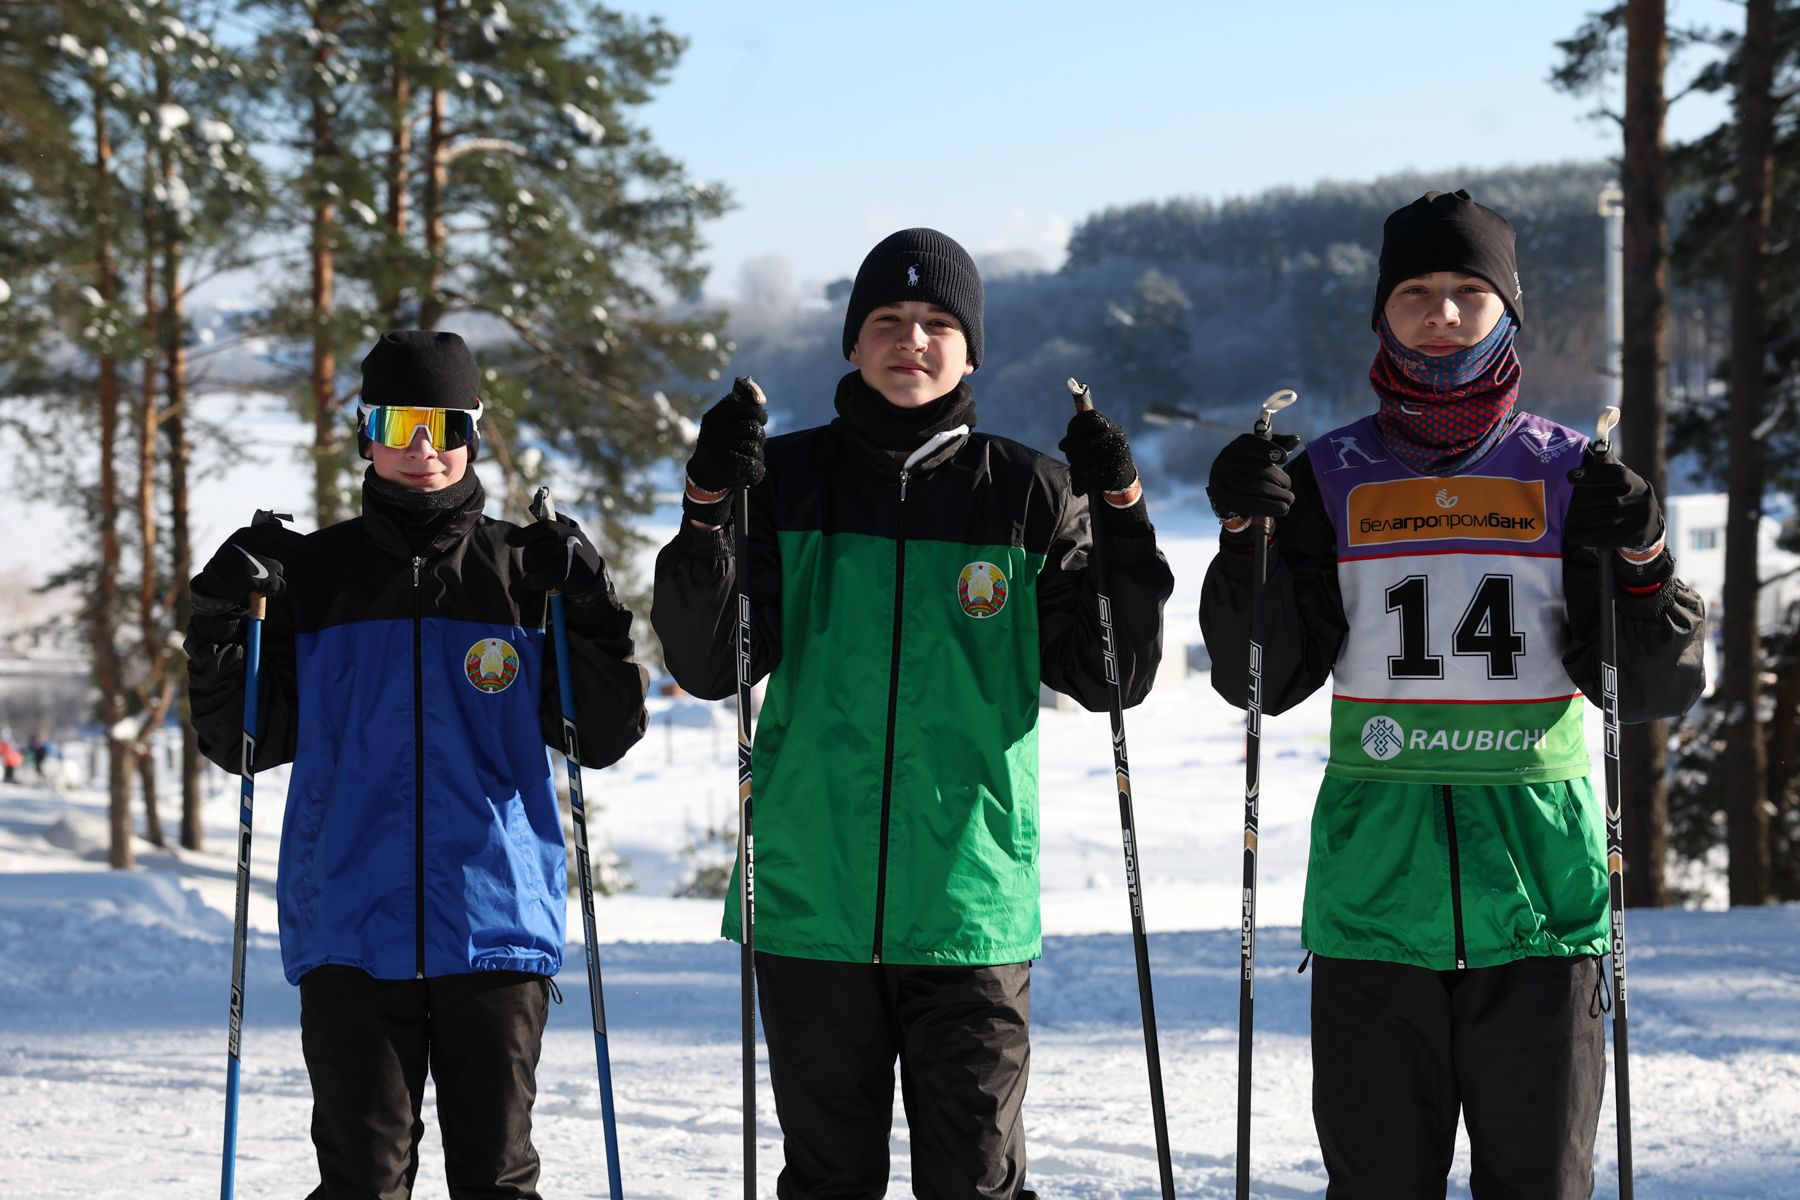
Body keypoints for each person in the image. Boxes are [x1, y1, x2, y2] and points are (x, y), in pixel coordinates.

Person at [1200, 190, 1707, 1199]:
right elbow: (1261, 680)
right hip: (1374, 904)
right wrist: (1243, 540)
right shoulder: (1326, 476)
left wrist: (1643, 556)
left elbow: (1649, 689)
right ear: (1382, 314)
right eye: (1417, 292)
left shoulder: (1576, 474)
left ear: (1507, 311)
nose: (1442, 314)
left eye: (1469, 293)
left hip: (1543, 905)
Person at [653, 228, 1174, 1199]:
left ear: (970, 349)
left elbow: (1114, 674)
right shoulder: (788, 483)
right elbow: (708, 659)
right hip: (812, 899)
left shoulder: (1029, 493)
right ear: (853, 342)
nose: (913, 340)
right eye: (888, 321)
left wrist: (1126, 521)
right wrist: (709, 507)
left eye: (938, 322)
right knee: (828, 1181)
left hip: (968, 903)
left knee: (975, 1182)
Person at [185, 330, 649, 1200]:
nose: (424, 445)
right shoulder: (309, 576)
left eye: (447, 421)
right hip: (350, 926)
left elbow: (606, 734)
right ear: (366, 432)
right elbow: (242, 741)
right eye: (400, 421)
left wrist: (589, 606)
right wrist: (218, 624)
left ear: (474, 430)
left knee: (497, 1181)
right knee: (362, 1183)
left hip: (495, 926)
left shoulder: (523, 571)